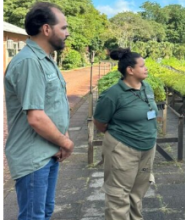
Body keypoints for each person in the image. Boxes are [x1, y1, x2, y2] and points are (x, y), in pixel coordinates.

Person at [4, 2, 73, 219]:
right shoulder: (29, 62)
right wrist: (66, 142)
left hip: (49, 151)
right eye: (63, 27)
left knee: (44, 212)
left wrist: (62, 136)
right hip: (34, 157)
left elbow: (52, 104)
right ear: (46, 29)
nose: (67, 33)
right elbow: (36, 118)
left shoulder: (45, 60)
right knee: (34, 217)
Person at [93, 48, 157, 220]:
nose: (146, 68)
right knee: (118, 195)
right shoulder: (113, 94)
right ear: (130, 70)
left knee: (137, 193)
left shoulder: (147, 87)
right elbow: (100, 122)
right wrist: (120, 136)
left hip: (147, 148)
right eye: (142, 66)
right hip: (122, 149)